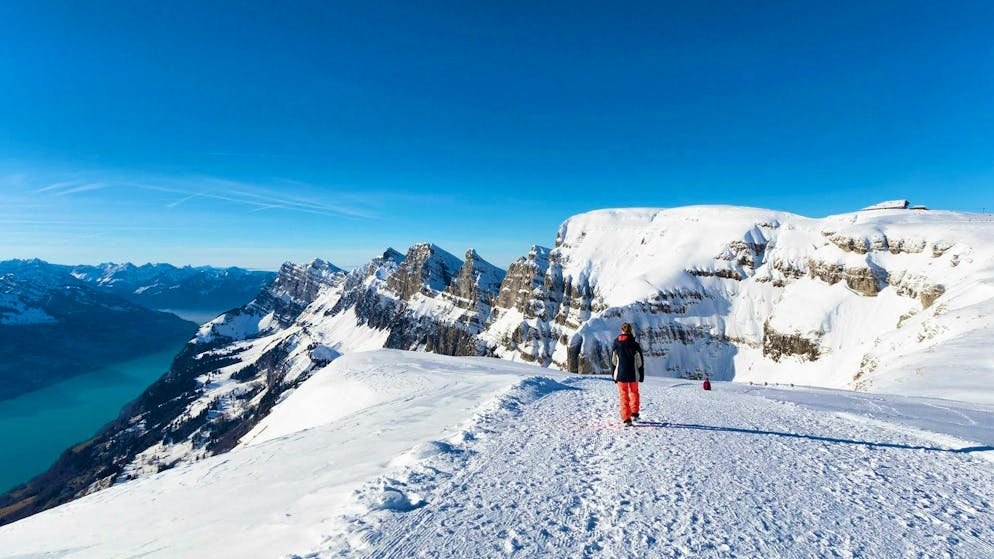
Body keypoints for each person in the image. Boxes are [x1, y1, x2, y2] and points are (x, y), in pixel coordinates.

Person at [611, 322, 645, 426]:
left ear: (622, 331)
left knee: (623, 395)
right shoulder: (635, 345)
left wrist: (614, 374)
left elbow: (613, 361)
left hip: (621, 374)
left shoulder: (616, 344)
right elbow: (640, 362)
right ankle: (634, 413)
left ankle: (626, 418)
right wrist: (641, 375)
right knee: (634, 392)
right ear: (631, 331)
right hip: (633, 374)